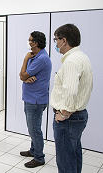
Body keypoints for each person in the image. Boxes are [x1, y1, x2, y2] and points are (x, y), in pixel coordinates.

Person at [51, 24, 93, 173]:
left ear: (64, 40)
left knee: (65, 161)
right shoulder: (82, 57)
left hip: (68, 118)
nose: (55, 44)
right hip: (77, 116)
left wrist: (63, 113)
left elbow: (70, 90)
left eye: (56, 40)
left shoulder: (71, 61)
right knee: (73, 155)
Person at [19, 31, 52, 168]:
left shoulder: (40, 59)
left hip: (35, 101)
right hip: (32, 99)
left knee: (35, 130)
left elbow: (22, 75)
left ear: (36, 43)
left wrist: (25, 59)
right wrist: (26, 78)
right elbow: (23, 76)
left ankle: (39, 158)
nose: (29, 42)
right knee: (33, 128)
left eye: (30, 40)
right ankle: (34, 151)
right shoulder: (37, 56)